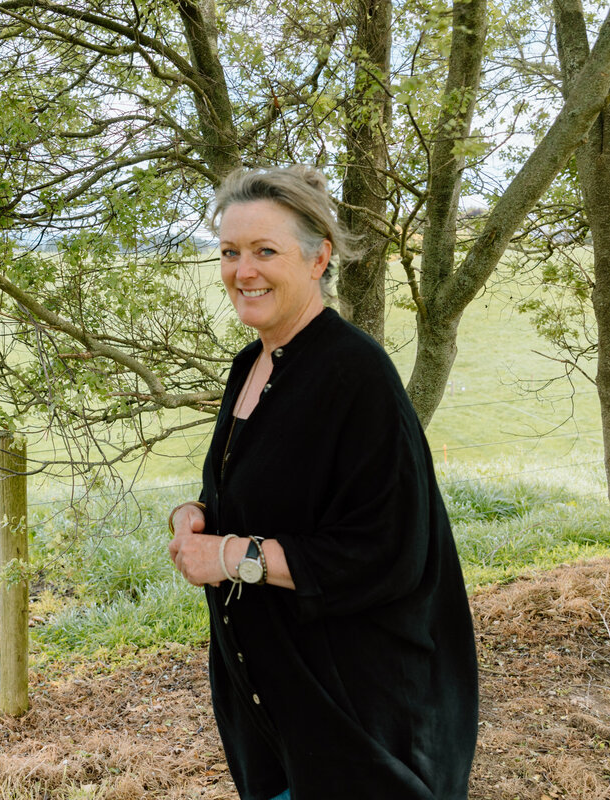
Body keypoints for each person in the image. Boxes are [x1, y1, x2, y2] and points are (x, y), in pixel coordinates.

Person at [167, 167, 478, 799]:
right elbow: (276, 495)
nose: (242, 271)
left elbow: (389, 552)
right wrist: (198, 515)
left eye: (265, 251)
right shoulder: (250, 365)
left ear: (318, 260)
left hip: (357, 720)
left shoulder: (356, 374)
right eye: (229, 252)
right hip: (275, 715)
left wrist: (230, 556)